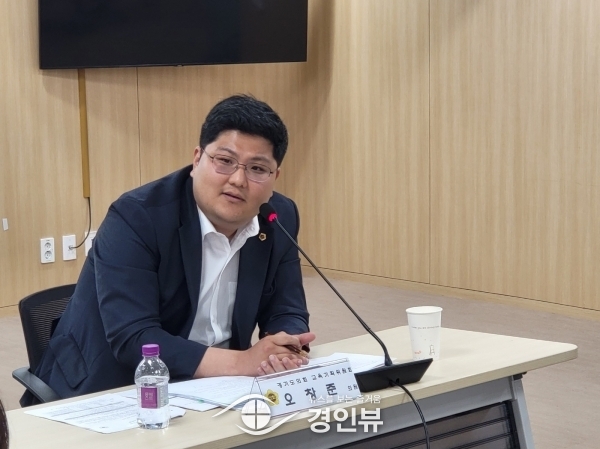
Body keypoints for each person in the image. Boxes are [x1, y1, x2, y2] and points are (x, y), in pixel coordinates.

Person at [21, 95, 314, 406]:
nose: (238, 180)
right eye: (225, 161)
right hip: (112, 386)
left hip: (218, 387)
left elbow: (287, 309)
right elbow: (134, 338)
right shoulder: (136, 217)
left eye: (257, 168)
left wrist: (285, 347)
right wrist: (242, 362)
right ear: (197, 159)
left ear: (274, 177)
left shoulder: (278, 217)